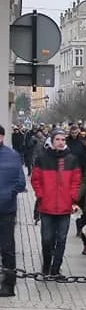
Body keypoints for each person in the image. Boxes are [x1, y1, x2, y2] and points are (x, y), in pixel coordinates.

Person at [31, 128, 82, 276]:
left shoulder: (72, 159)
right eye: (57, 139)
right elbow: (36, 179)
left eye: (63, 140)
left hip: (64, 207)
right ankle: (46, 265)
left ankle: (55, 269)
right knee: (47, 239)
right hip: (46, 206)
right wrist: (41, 195)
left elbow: (76, 181)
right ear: (52, 141)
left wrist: (72, 197)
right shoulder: (42, 158)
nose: (60, 142)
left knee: (61, 239)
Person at [0, 125, 26, 297]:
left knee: (7, 247)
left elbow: (21, 182)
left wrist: (9, 193)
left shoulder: (12, 156)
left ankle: (9, 283)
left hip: (6, 209)